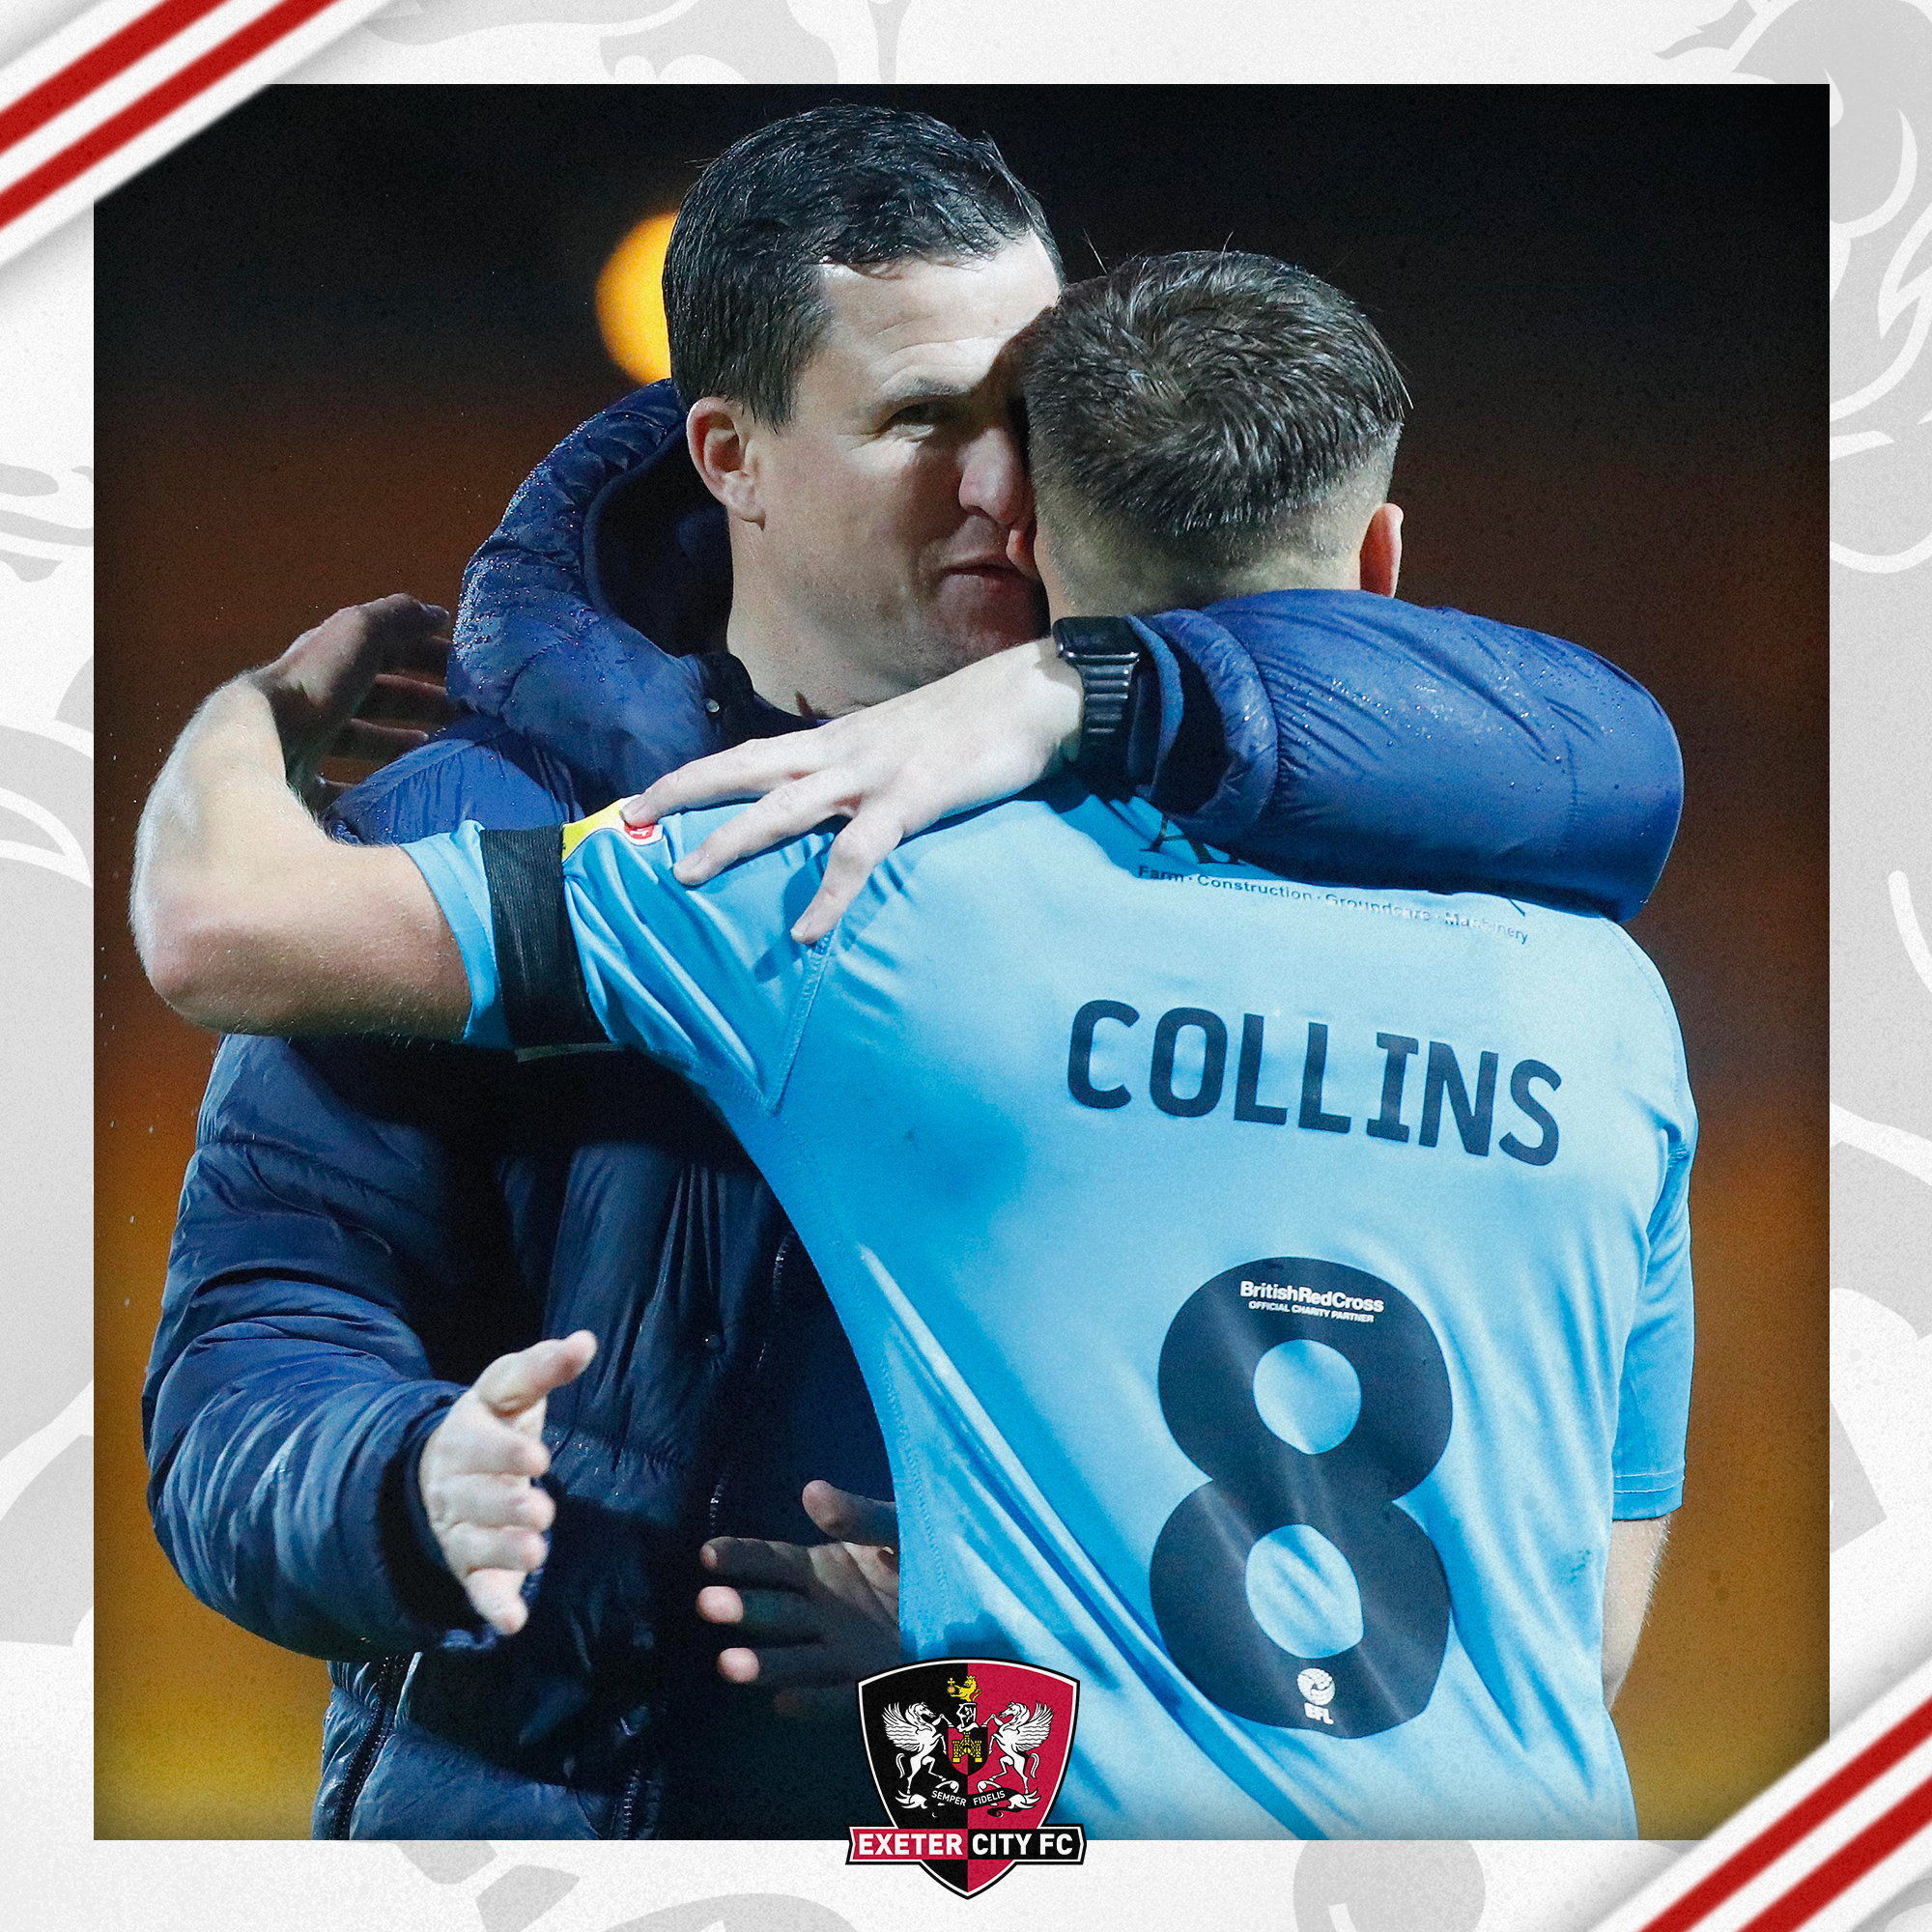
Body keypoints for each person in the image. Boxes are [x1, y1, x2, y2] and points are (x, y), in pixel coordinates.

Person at [140, 104, 1681, 1841]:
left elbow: (1597, 752)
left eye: (1031, 418)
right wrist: (401, 1484)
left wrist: (944, 1687)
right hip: (585, 1822)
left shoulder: (1201, 820)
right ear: (729, 453)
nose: (1004, 488)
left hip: (992, 1845)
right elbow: (244, 1359)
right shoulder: (491, 825)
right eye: (920, 423)